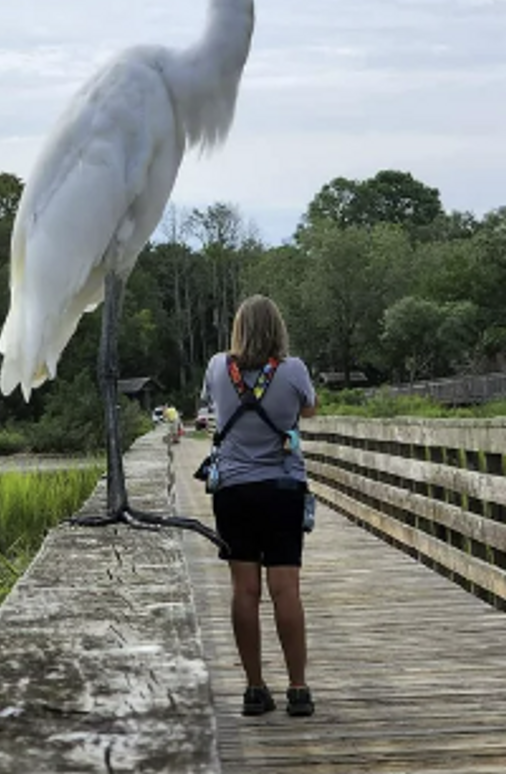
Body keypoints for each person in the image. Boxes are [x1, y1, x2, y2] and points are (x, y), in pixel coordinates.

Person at [199, 294, 317, 718]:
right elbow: (310, 408)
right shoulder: (294, 369)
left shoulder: (217, 367)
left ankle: (253, 688)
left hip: (233, 491)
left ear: (239, 327)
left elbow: (211, 408)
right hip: (284, 488)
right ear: (278, 328)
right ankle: (298, 689)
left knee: (243, 591)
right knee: (286, 589)